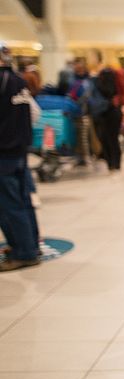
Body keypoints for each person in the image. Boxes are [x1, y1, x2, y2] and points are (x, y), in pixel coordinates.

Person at [0, 42, 41, 271]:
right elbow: (34, 113)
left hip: (4, 154)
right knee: (23, 201)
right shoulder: (18, 80)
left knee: (9, 205)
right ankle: (29, 245)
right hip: (19, 151)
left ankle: (24, 252)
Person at [91, 67, 123, 172]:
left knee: (110, 139)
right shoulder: (97, 83)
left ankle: (114, 163)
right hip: (104, 113)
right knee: (107, 139)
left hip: (110, 112)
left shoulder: (99, 83)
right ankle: (112, 163)